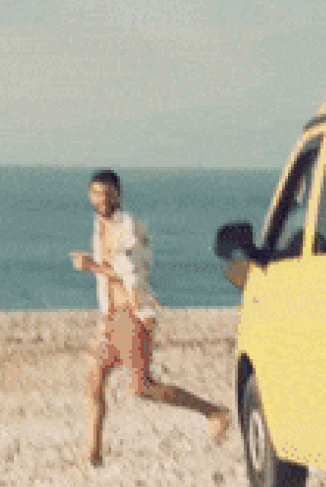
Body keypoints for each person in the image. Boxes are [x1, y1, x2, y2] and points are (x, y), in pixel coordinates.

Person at [70, 169, 229, 467]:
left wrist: (90, 266)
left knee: (143, 387)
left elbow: (129, 276)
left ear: (119, 194)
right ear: (89, 196)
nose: (103, 199)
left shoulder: (127, 228)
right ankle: (93, 452)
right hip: (112, 316)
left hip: (133, 315)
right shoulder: (100, 225)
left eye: (108, 193)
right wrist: (104, 317)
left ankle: (214, 412)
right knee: (94, 379)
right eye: (97, 193)